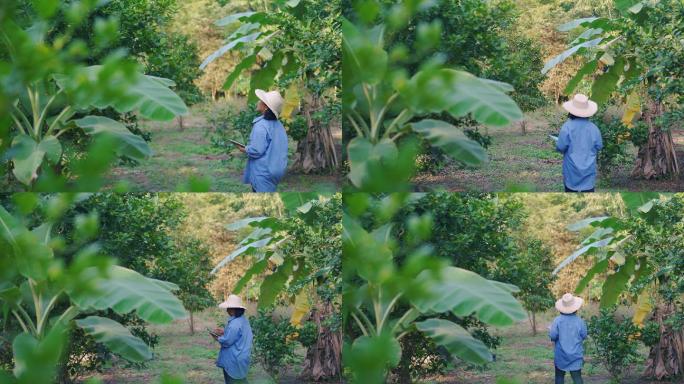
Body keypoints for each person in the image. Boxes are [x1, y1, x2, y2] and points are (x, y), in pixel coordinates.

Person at [239, 89, 288, 192]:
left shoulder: (261, 126)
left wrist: (244, 149)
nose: (258, 102)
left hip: (263, 172)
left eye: (261, 100)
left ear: (266, 107)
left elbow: (257, 150)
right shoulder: (279, 125)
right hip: (275, 171)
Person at [555, 94, 603, 193]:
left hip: (571, 170)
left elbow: (561, 147)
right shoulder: (594, 128)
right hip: (588, 170)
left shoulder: (567, 127)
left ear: (571, 111)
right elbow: (599, 146)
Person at [549, 293, 588, 384]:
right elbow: (584, 335)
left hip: (561, 355)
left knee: (559, 377)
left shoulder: (557, 320)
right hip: (576, 355)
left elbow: (553, 336)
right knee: (577, 378)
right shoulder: (580, 321)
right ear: (575, 309)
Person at [214, 295, 253, 383]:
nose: (227, 310)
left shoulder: (235, 323)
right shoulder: (243, 320)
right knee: (241, 380)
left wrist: (217, 337)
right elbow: (239, 335)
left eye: (228, 308)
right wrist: (225, 331)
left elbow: (227, 342)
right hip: (242, 357)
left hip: (234, 359)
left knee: (233, 380)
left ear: (233, 310)